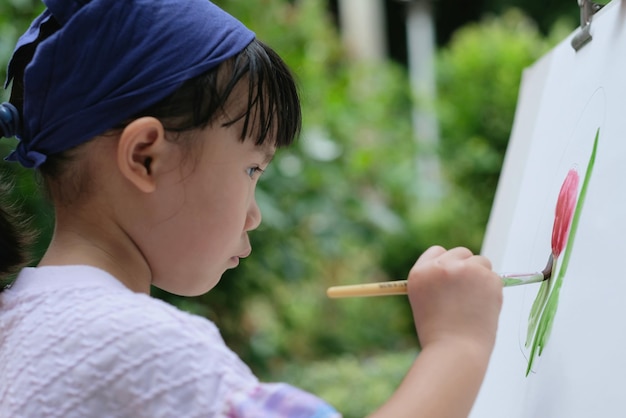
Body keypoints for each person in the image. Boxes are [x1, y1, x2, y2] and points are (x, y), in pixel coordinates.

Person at [0, 0, 503, 417]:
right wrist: (457, 345)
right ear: (144, 157)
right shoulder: (142, 350)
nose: (254, 214)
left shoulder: (17, 323)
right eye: (251, 170)